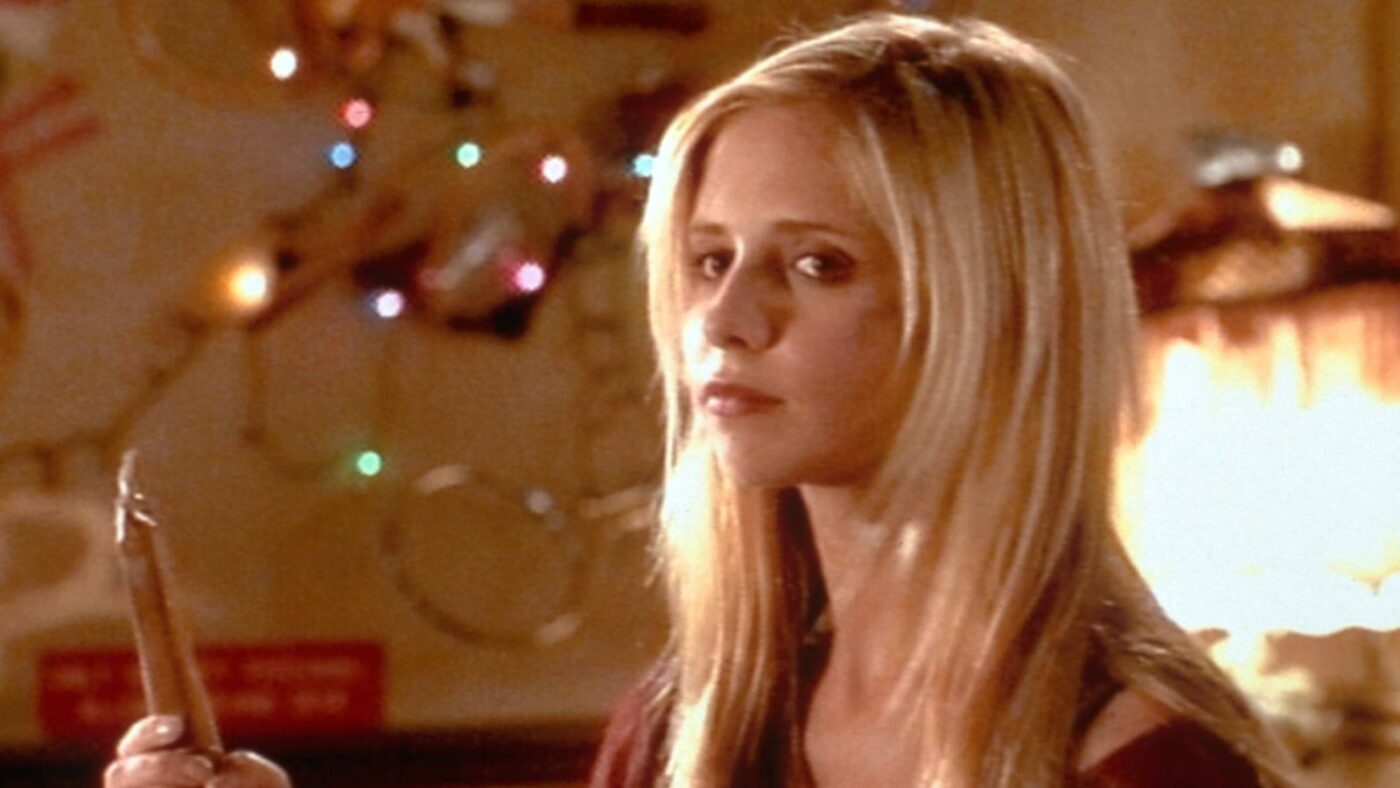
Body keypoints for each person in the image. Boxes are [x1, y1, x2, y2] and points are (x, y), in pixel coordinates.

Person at [104, 11, 1300, 787]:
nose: (722, 319)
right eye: (709, 257)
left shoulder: (1144, 761)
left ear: (988, 307)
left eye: (816, 263)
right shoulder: (690, 722)